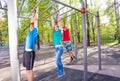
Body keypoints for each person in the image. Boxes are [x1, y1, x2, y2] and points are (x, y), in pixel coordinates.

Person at [23, 14, 39, 81]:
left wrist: (35, 12)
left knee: (30, 70)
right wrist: (32, 16)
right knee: (27, 69)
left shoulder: (35, 31)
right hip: (26, 52)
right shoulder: (29, 33)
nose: (31, 26)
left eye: (33, 25)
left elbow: (35, 21)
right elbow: (31, 21)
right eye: (30, 25)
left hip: (30, 53)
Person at [51, 11, 65, 78]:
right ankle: (62, 71)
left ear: (58, 27)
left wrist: (59, 14)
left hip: (60, 48)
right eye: (55, 27)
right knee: (59, 60)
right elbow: (53, 23)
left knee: (56, 60)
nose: (56, 27)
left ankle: (60, 71)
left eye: (57, 26)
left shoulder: (60, 31)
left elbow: (59, 22)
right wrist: (51, 17)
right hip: (56, 48)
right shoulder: (54, 32)